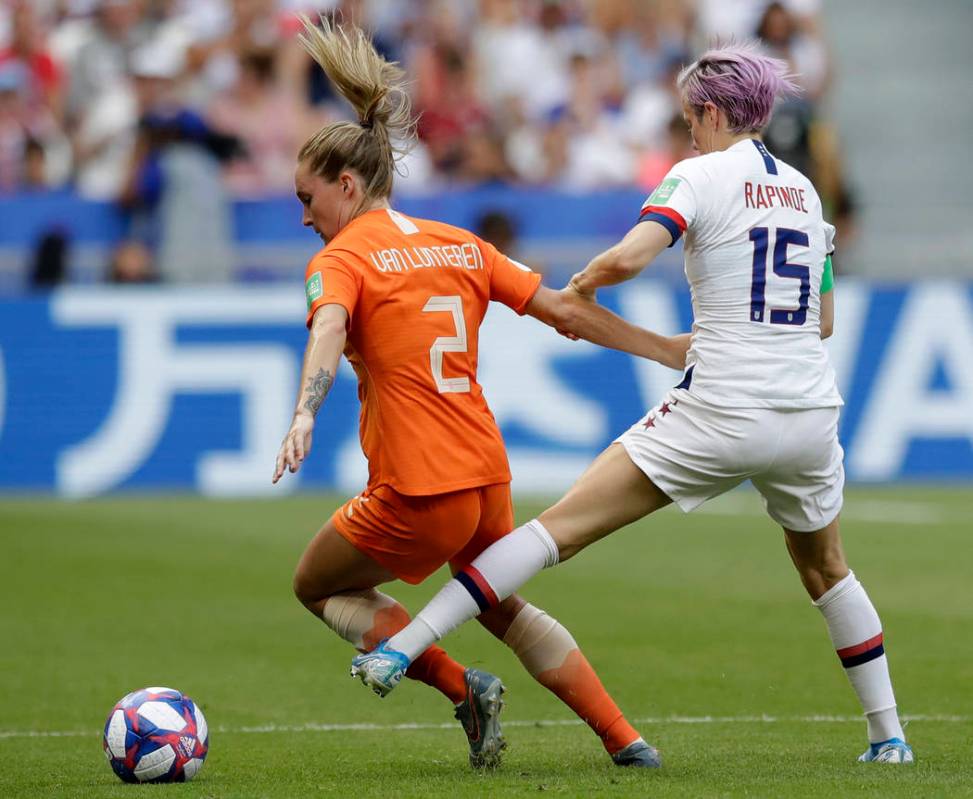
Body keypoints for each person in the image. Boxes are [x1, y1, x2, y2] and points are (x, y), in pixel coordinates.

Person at [352, 43, 913, 767]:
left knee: (557, 530)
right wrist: (686, 337)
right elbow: (823, 318)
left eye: (689, 119)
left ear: (711, 111)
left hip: (721, 409)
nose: (686, 133)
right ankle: (887, 734)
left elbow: (631, 255)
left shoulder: (698, 174)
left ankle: (403, 646)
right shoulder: (804, 192)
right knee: (826, 567)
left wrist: (586, 281)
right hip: (806, 412)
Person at [271, 16, 689, 771]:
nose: (304, 216)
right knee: (499, 602)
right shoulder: (459, 243)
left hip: (417, 486)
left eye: (308, 197)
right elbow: (565, 310)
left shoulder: (342, 257)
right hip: (484, 469)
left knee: (313, 583)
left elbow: (328, 326)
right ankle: (624, 738)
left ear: (346, 183)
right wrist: (662, 348)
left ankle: (463, 688)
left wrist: (304, 410)